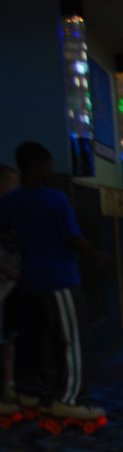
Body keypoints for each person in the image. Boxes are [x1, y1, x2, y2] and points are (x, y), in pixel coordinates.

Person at [0, 142, 108, 422]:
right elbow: (72, 237)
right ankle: (71, 399)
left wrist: (23, 241)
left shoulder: (11, 202)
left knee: (45, 340)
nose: (51, 170)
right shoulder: (54, 198)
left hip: (31, 282)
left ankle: (47, 396)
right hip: (59, 281)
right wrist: (96, 254)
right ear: (38, 167)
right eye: (48, 165)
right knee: (71, 340)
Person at [0, 164, 20, 419]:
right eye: (14, 184)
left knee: (8, 339)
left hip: (10, 287)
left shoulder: (12, 212)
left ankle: (10, 387)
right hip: (5, 283)